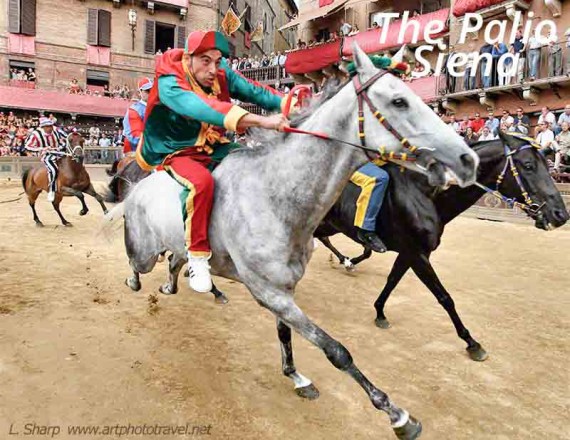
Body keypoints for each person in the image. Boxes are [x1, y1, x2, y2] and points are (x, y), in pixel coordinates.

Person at [135, 31, 292, 293]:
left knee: (252, 162)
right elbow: (203, 109)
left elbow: (254, 91)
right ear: (189, 58)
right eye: (205, 61)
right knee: (201, 183)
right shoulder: (169, 82)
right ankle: (196, 256)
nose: (213, 69)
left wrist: (289, 103)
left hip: (211, 145)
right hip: (176, 149)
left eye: (217, 61)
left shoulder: (219, 72)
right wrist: (264, 121)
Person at [24, 117, 67, 202]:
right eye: (47, 126)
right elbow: (27, 146)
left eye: (51, 126)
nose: (50, 128)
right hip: (47, 155)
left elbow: (65, 140)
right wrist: (42, 149)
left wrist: (59, 147)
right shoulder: (36, 134)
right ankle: (52, 189)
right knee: (53, 169)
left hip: (59, 152)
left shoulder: (56, 131)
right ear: (43, 127)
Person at [122, 77, 153, 154]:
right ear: (140, 92)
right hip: (135, 152)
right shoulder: (134, 110)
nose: (151, 93)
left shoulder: (159, 108)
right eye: (148, 91)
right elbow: (135, 136)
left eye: (154, 90)